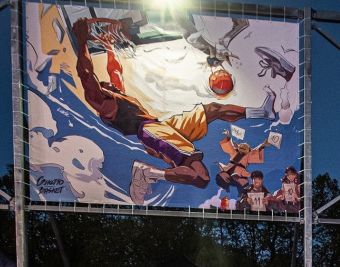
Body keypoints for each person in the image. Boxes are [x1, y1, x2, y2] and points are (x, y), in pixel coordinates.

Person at [71, 17, 276, 205]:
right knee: (201, 176)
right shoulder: (103, 102)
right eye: (105, 84)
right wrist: (82, 41)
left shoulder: (116, 94)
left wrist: (109, 47)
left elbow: (115, 71)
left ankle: (261, 112)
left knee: (213, 109)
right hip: (151, 132)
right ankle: (147, 173)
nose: (110, 82)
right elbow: (86, 74)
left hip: (162, 125)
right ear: (102, 89)